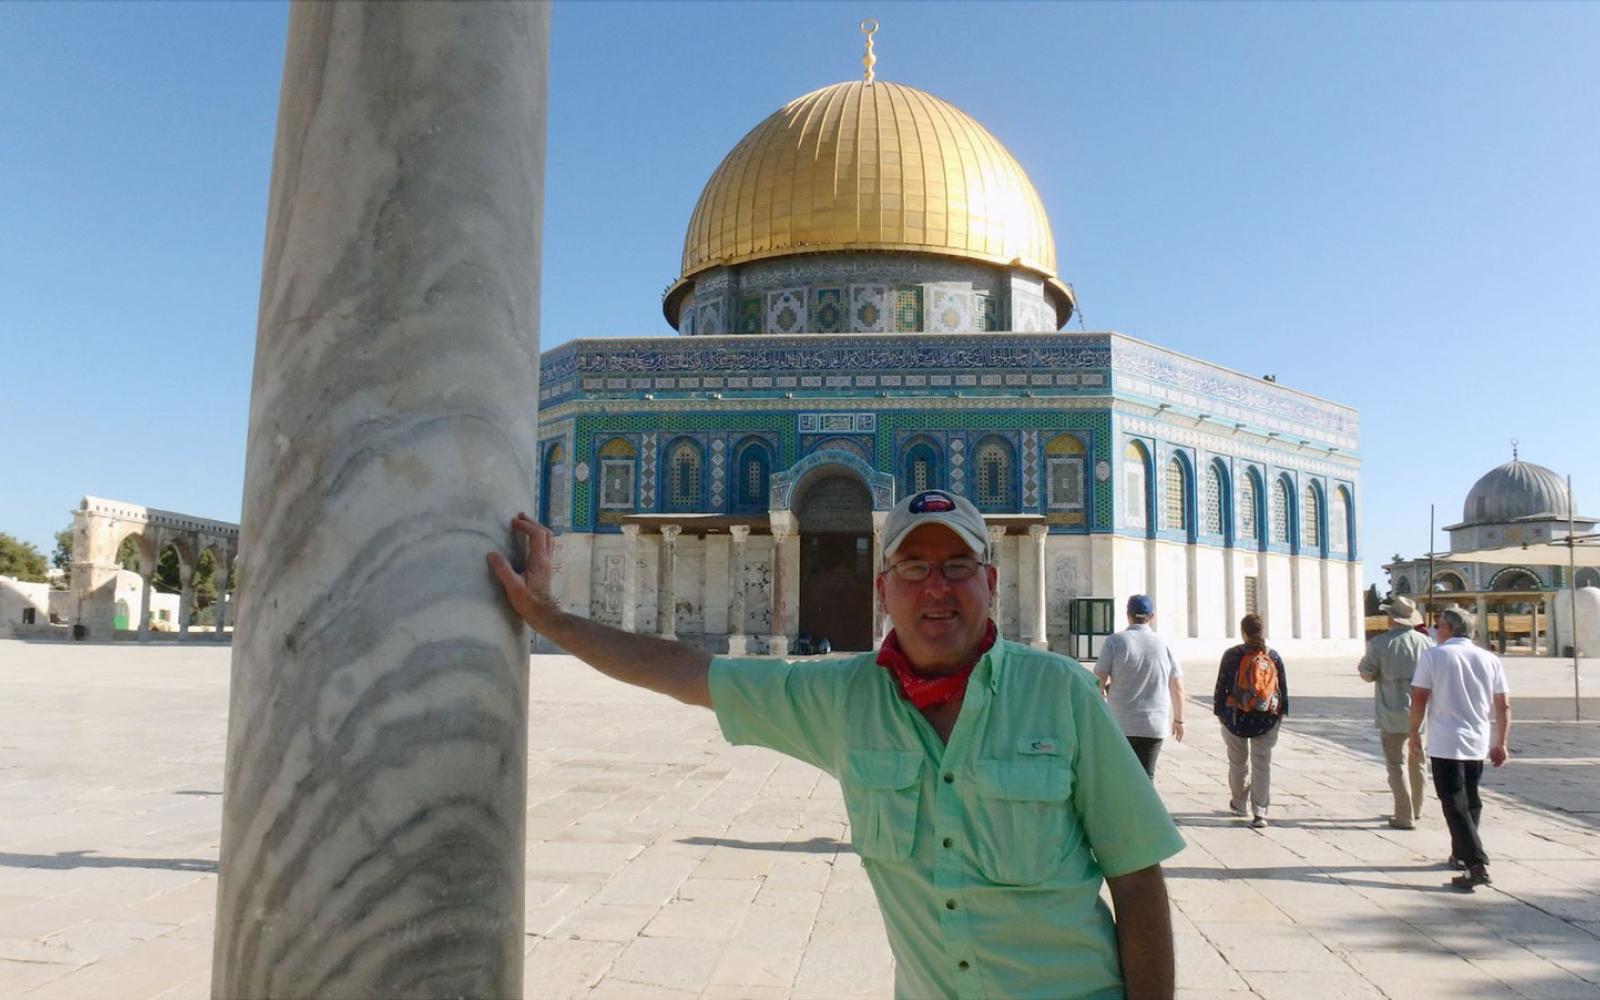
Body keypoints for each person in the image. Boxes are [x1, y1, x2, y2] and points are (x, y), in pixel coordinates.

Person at [489, 489, 1185, 999]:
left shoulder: (1060, 693)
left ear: (991, 584)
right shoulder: (844, 700)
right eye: (913, 568)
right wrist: (547, 616)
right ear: (884, 590)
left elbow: (1137, 877)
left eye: (956, 567)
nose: (935, 588)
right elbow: (685, 672)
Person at [1409, 606, 1511, 891]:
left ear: (1448, 629)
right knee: (1471, 800)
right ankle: (1461, 855)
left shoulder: (1434, 656)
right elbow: (1502, 704)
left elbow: (1419, 699)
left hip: (1446, 740)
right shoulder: (1488, 659)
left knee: (1453, 801)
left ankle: (1475, 862)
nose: (1435, 630)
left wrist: (1414, 733)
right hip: (1477, 740)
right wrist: (1501, 742)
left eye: (1438, 625)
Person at [1358, 595, 1433, 829]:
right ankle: (1417, 808)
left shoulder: (1379, 644)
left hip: (1391, 711)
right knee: (1418, 761)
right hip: (1420, 713)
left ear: (1392, 618)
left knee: (1396, 764)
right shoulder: (1427, 644)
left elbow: (1366, 673)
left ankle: (1404, 814)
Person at [1211, 613, 1289, 829]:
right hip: (1266, 719)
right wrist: (1280, 716)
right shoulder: (1272, 656)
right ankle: (1260, 812)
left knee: (1238, 763)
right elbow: (1282, 690)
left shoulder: (1232, 655)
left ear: (1243, 632)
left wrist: (1220, 713)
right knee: (1261, 764)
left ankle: (1238, 803)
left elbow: (1221, 687)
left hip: (1236, 718)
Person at [1094, 595, 1185, 777]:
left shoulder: (1115, 641)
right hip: (1153, 724)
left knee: (1119, 775)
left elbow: (1098, 680)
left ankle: (1121, 806)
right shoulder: (1165, 643)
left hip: (1121, 721)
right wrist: (1178, 719)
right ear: (1151, 616)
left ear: (1128, 615)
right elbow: (1177, 686)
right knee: (1146, 775)